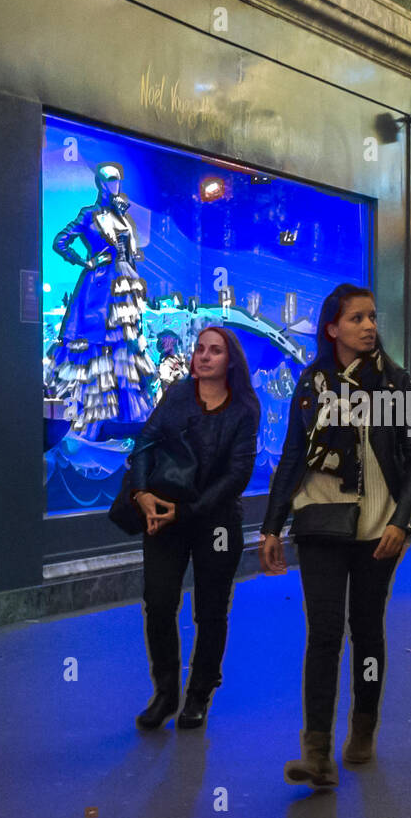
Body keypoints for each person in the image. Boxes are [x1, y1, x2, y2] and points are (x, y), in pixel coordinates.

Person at [260, 284, 411, 788]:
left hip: (379, 524)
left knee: (368, 629)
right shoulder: (312, 381)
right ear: (332, 327)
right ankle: (315, 750)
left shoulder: (398, 385)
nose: (369, 325)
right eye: (357, 318)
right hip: (319, 518)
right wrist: (271, 524)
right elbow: (293, 453)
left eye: (372, 317)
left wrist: (402, 520)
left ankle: (364, 725)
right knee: (325, 633)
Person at [131, 327, 260, 732]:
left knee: (210, 608)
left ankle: (199, 693)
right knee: (160, 600)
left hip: (215, 519)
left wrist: (188, 512)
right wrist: (140, 494)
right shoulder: (177, 395)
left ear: (231, 361)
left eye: (215, 351)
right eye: (200, 349)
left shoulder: (244, 408)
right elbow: (145, 444)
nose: (204, 357)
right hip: (164, 510)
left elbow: (238, 474)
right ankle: (166, 692)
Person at [46, 162, 159, 438]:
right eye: (109, 180)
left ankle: (123, 420)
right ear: (99, 183)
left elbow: (131, 254)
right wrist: (86, 261)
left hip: (124, 287)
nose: (114, 185)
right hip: (99, 289)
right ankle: (88, 421)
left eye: (117, 180)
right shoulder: (89, 214)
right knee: (95, 345)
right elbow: (60, 241)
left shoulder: (122, 215)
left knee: (125, 347)